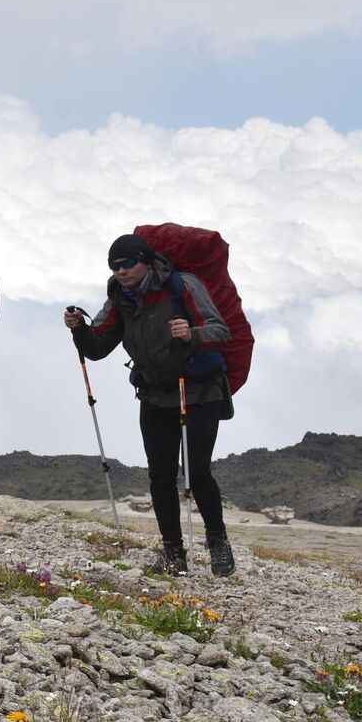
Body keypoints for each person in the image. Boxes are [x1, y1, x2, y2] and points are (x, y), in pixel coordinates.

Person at [65, 233, 236, 576]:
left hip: (198, 390)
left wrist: (192, 334)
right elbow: (98, 347)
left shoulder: (182, 285)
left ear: (146, 260)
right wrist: (80, 330)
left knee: (197, 472)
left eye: (127, 264)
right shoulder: (120, 296)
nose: (120, 271)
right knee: (160, 475)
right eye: (114, 266)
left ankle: (218, 545)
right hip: (154, 393)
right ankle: (174, 552)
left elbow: (222, 331)